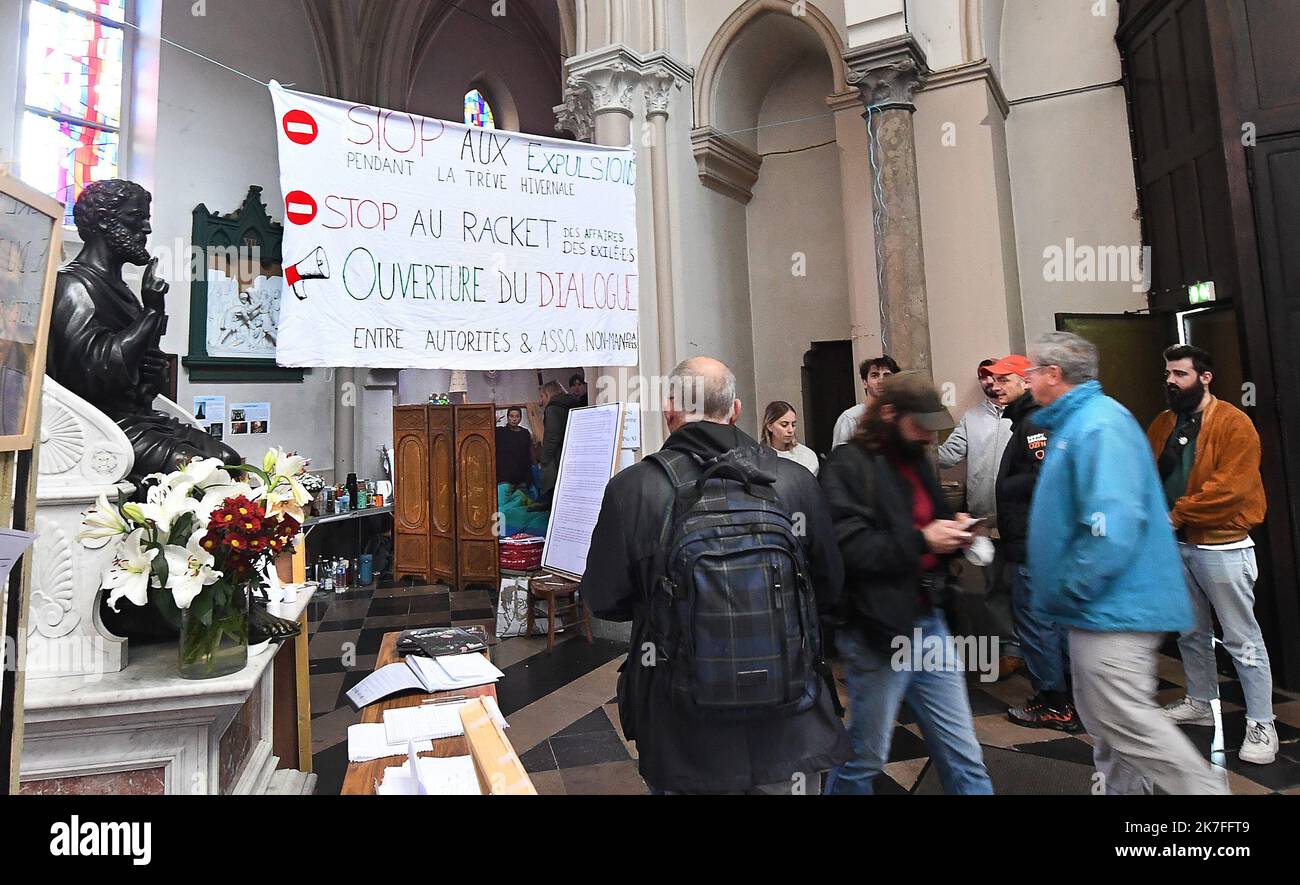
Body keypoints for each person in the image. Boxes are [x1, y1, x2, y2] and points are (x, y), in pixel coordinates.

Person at [579, 357, 851, 794]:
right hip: (791, 730)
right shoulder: (795, 481)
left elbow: (604, 599)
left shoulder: (633, 489)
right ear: (737, 410)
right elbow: (831, 590)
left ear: (669, 410)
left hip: (684, 735)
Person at [1026, 331, 1226, 794]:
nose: (1029, 379)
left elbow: (1110, 525)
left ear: (1054, 375)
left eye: (1033, 371)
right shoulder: (1076, 423)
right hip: (1094, 609)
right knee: (1110, 732)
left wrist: (1071, 586)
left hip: (1113, 608)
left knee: (1132, 728)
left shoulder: (1099, 426)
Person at [819, 371, 993, 795]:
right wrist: (923, 539)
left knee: (963, 753)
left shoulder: (917, 459)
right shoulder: (848, 466)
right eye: (921, 426)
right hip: (878, 630)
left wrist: (955, 534)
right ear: (890, 414)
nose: (929, 437)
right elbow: (850, 550)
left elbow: (926, 524)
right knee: (867, 755)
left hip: (929, 621)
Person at [1147, 345, 1276, 764]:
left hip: (1221, 543)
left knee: (1241, 636)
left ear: (1205, 377)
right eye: (1168, 373)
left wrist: (1176, 515)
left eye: (1180, 374)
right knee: (1190, 631)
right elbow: (1147, 471)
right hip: (1177, 543)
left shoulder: (1234, 423)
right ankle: (1201, 702)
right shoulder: (1164, 422)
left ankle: (1262, 722)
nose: (1170, 380)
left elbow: (1230, 488)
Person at [990, 355, 1080, 732]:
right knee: (1051, 624)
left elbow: (1046, 480)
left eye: (1005, 380)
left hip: (1035, 546)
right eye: (993, 381)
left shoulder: (1035, 424)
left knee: (1038, 624)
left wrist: (1008, 489)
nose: (996, 387)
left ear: (1027, 382)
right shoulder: (1028, 420)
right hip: (1037, 543)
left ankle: (1055, 703)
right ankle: (1070, 699)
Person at [937, 358, 1020, 678]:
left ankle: (1039, 650)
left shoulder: (1029, 417)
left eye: (999, 379)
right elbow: (947, 457)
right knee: (993, 587)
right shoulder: (973, 418)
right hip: (985, 520)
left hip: (1023, 521)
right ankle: (1010, 650)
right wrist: (923, 445)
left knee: (1024, 586)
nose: (992, 385)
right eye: (986, 379)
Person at [831, 355, 899, 449]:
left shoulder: (901, 416)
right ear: (865, 383)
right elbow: (841, 459)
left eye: (887, 375)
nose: (881, 381)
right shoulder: (851, 417)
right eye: (875, 375)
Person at [539, 380, 581, 503]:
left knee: (555, 497)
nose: (540, 401)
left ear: (549, 394)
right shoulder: (573, 405)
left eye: (542, 396)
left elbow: (552, 436)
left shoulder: (552, 409)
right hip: (574, 457)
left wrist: (544, 459)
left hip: (558, 459)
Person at [761, 400, 819, 476]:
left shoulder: (807, 456)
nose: (790, 430)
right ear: (770, 426)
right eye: (784, 425)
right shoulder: (758, 457)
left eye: (793, 425)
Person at [495, 406, 534, 488]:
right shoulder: (500, 432)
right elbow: (487, 435)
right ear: (507, 417)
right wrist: (493, 422)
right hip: (504, 478)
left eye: (517, 416)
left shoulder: (525, 433)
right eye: (511, 416)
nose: (514, 419)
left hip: (521, 477)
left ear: (520, 418)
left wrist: (527, 479)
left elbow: (528, 456)